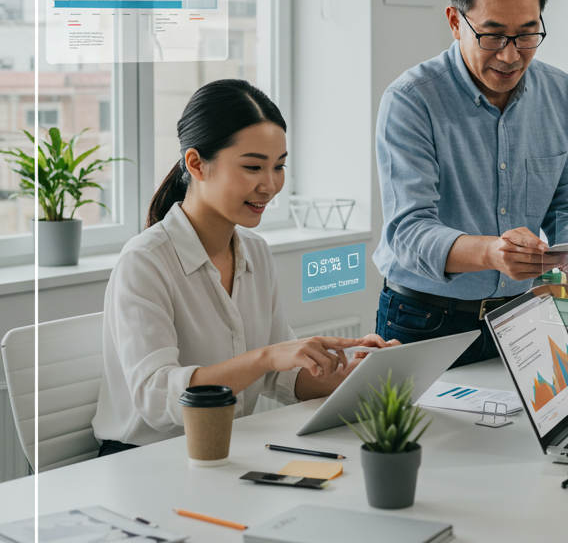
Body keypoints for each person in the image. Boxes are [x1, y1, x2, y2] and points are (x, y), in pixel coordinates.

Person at [373, 0, 568, 373]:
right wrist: (490, 253)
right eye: (493, 35)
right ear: (455, 21)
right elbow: (407, 233)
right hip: (425, 320)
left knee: (525, 438)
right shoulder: (411, 100)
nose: (511, 54)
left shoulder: (561, 94)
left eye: (526, 35)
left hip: (522, 315)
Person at [92, 79, 394, 453]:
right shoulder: (144, 262)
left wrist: (353, 375)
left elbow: (280, 381)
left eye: (279, 167)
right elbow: (156, 398)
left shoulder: (255, 251)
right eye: (253, 167)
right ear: (196, 164)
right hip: (143, 458)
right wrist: (265, 357)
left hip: (227, 448)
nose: (269, 185)